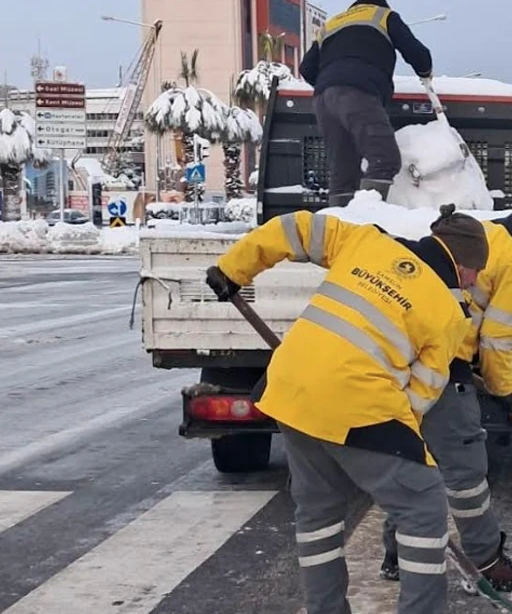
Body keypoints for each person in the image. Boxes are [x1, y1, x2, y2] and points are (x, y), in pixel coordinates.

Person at [204, 205, 491, 614]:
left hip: (289, 389)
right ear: (462, 265)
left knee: (318, 514)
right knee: (423, 505)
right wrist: (400, 450)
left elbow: (295, 227)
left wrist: (234, 268)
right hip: (358, 405)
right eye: (475, 272)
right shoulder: (449, 314)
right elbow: (422, 394)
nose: (476, 281)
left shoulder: (367, 242)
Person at [380, 189, 512, 592]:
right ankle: (487, 564)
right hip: (443, 360)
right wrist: (505, 393)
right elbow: (497, 341)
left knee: (417, 457)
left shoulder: (497, 232)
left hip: (405, 351)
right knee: (465, 466)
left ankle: (397, 554)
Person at [299, 0, 435, 207]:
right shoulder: (384, 15)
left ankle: (340, 228)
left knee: (343, 174)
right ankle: (368, 219)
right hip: (358, 93)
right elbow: (417, 53)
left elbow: (306, 69)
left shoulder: (332, 24)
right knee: (385, 160)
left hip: (324, 100)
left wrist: (332, 83)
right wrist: (425, 71)